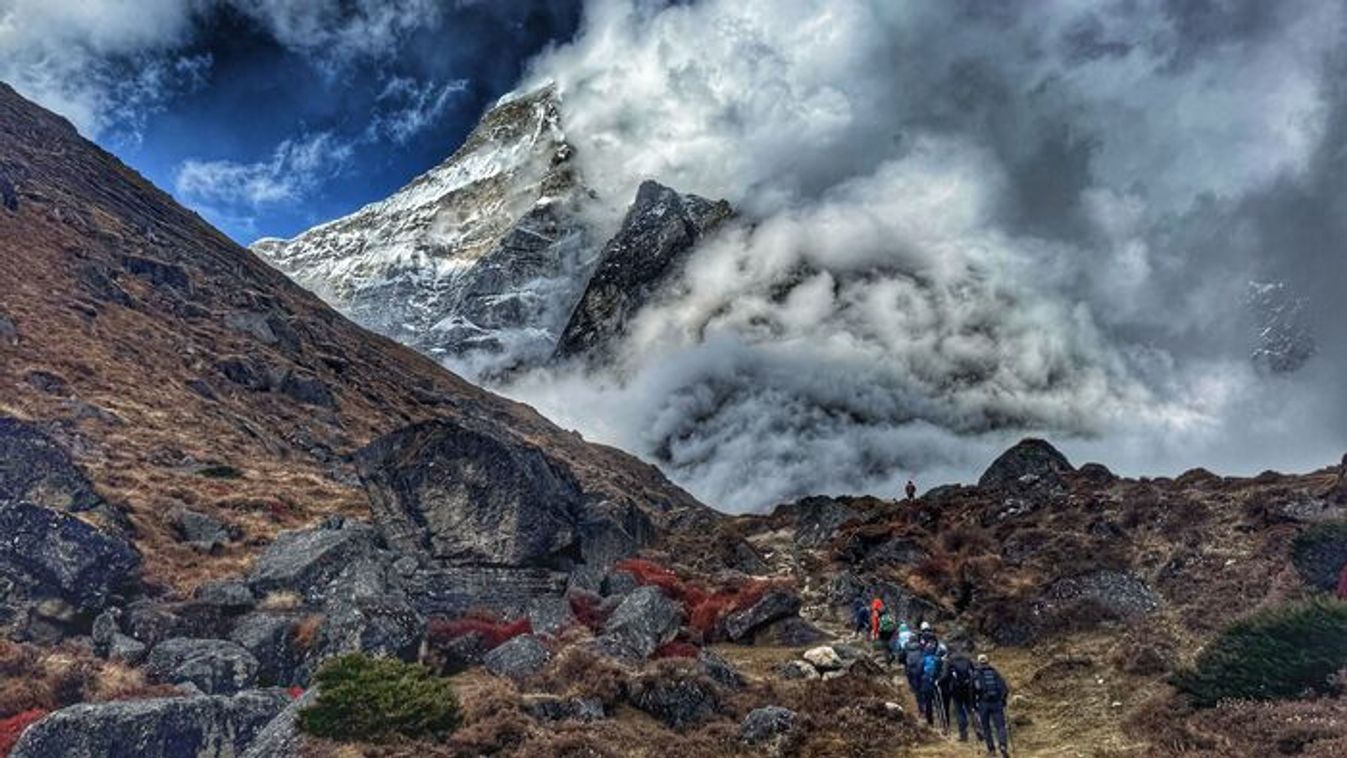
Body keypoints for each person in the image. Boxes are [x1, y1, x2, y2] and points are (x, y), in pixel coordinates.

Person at [974, 654, 1011, 758]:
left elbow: (972, 691)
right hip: (997, 703)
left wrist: (973, 705)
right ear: (987, 661)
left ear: (978, 662)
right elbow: (1004, 688)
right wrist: (1003, 701)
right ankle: (1003, 745)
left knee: (986, 727)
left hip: (983, 704)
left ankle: (991, 750)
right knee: (1000, 726)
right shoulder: (995, 672)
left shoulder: (976, 674)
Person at [941, 651, 979, 743]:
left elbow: (945, 676)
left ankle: (963, 734)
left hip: (956, 689)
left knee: (959, 711)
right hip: (968, 688)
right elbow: (975, 672)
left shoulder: (949, 661)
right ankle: (978, 729)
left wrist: (939, 681)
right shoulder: (967, 660)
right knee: (971, 708)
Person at [917, 644, 945, 728]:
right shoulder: (938, 660)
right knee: (939, 703)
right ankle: (943, 721)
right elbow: (941, 671)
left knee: (928, 703)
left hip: (926, 683)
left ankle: (930, 722)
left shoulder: (923, 660)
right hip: (936, 683)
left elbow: (918, 672)